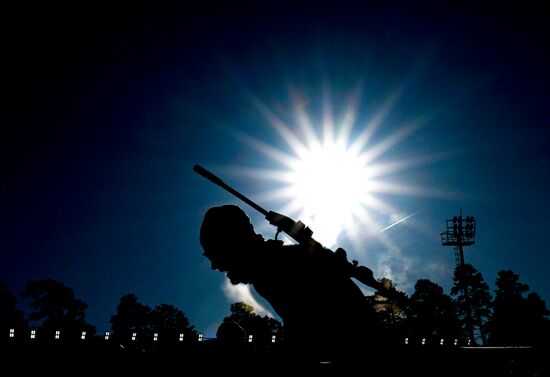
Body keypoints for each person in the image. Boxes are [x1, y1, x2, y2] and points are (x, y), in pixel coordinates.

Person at [199, 204, 385, 367]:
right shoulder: (277, 264)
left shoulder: (276, 270)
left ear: (234, 244)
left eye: (215, 254)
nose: (215, 266)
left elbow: (309, 331)